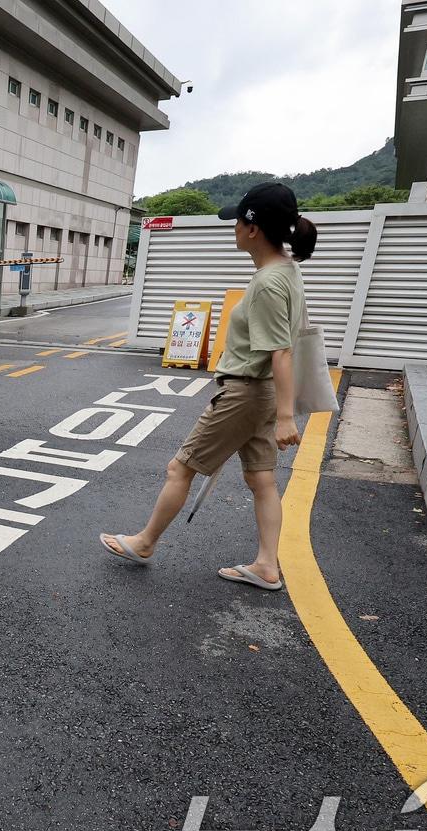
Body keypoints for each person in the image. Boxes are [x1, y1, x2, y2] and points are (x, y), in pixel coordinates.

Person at [99, 182, 318, 591]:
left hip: (247, 392)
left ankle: (145, 542)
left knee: (180, 467)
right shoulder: (287, 270)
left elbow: (282, 351)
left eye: (237, 221)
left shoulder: (269, 282)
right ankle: (267, 565)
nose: (232, 227)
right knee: (261, 480)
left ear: (252, 228)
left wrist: (287, 416)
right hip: (262, 392)